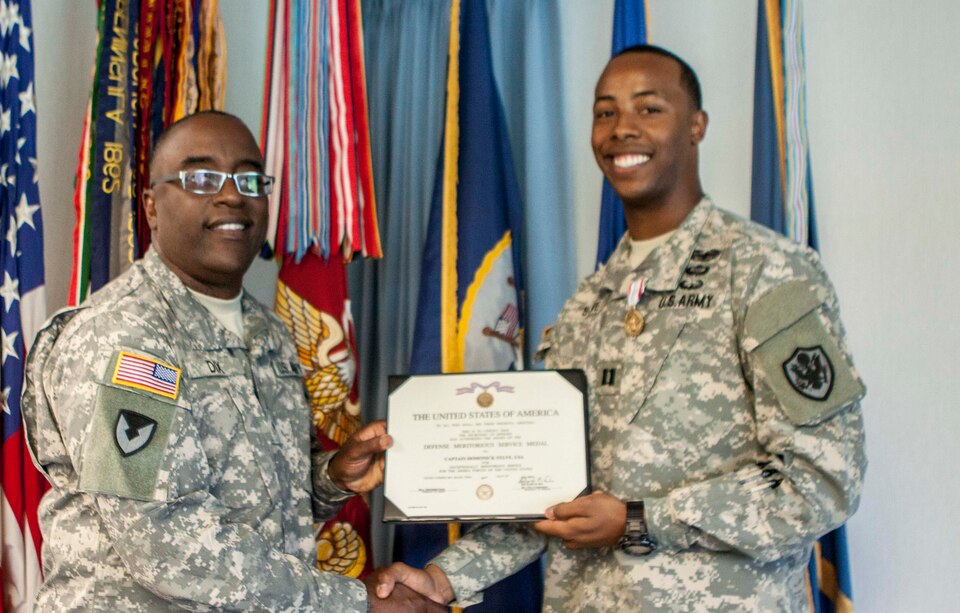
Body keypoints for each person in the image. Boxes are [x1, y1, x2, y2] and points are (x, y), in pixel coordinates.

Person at [370, 45, 867, 611]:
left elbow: (822, 479)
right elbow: (552, 499)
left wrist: (641, 521)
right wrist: (447, 576)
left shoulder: (765, 272)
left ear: (696, 125)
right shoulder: (588, 303)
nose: (621, 129)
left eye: (648, 109)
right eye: (604, 112)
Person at [22, 111, 444, 611]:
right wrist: (356, 604)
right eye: (201, 178)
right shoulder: (125, 336)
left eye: (248, 179)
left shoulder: (268, 332)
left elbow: (258, 498)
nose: (231, 196)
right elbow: (162, 540)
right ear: (152, 206)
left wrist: (332, 477)